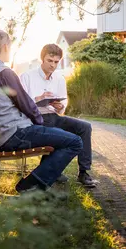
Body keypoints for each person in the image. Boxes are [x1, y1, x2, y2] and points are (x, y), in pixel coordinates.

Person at [0, 30, 83, 193]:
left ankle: (37, 184)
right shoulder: (4, 73)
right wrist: (39, 123)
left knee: (61, 137)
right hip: (15, 134)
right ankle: (30, 186)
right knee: (75, 141)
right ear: (4, 47)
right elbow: (26, 104)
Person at [20, 44, 97, 187]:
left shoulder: (59, 78)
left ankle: (83, 172)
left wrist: (61, 107)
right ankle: (53, 170)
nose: (53, 65)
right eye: (50, 60)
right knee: (58, 133)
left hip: (54, 116)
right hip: (36, 119)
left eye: (56, 62)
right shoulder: (27, 77)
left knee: (85, 127)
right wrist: (38, 99)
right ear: (41, 59)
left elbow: (64, 102)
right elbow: (22, 103)